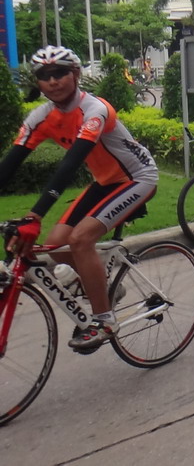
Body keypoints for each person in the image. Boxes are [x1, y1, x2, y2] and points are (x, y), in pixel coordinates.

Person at [0, 46, 158, 351]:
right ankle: (103, 287)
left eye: (60, 73)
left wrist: (36, 214)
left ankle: (104, 320)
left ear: (75, 74)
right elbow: (11, 162)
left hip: (138, 178)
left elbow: (70, 164)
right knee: (56, 243)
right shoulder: (41, 117)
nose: (52, 81)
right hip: (105, 182)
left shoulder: (95, 109)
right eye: (44, 75)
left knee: (80, 239)